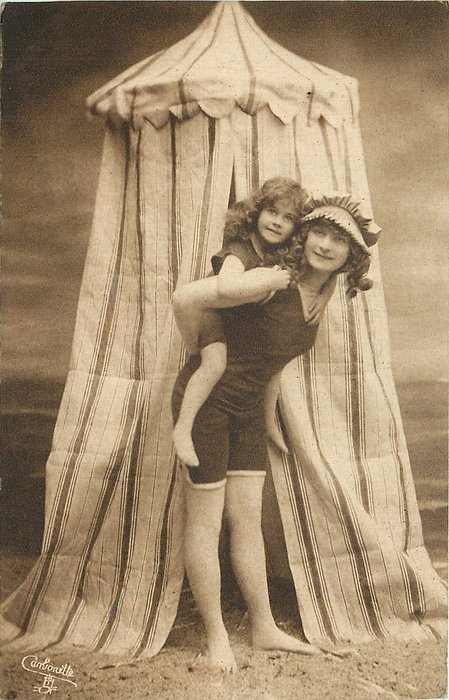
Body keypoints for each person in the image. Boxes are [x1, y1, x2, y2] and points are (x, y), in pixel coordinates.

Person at [171, 191, 379, 672]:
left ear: (351, 256)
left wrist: (267, 419)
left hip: (247, 412)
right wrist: (200, 347)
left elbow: (275, 362)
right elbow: (185, 298)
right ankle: (216, 637)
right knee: (205, 523)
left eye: (338, 240)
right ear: (304, 236)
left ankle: (263, 628)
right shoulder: (271, 278)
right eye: (319, 233)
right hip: (207, 407)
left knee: (247, 521)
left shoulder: (321, 294)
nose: (325, 245)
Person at [172, 178, 337, 467]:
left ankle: (263, 423)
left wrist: (325, 294)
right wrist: (267, 281)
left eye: (288, 218)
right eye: (272, 211)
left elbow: (331, 273)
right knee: (214, 364)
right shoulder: (241, 250)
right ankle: (183, 430)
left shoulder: (276, 252)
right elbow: (225, 287)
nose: (277, 222)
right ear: (256, 212)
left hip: (233, 324)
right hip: (212, 315)